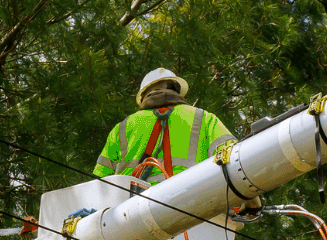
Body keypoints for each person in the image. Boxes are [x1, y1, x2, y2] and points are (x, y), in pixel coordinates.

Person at [92, 68, 237, 184]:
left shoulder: (123, 127)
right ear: (176, 90)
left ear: (144, 96)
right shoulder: (203, 118)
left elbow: (99, 182)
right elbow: (233, 157)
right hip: (189, 203)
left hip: (132, 210)